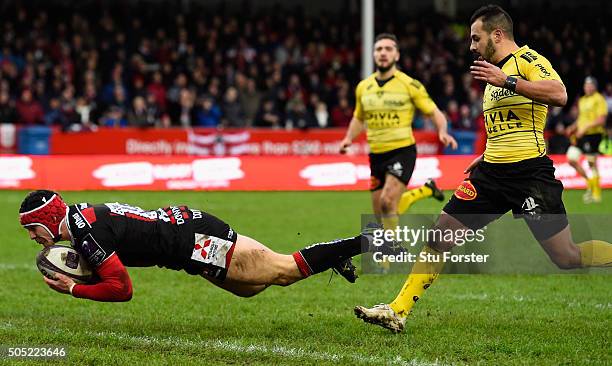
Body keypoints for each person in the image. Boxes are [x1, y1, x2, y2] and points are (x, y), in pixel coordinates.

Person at [354, 5, 612, 333]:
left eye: (476, 38)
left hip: (530, 176)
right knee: (440, 233)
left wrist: (508, 80)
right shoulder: (493, 75)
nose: (471, 46)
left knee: (566, 256)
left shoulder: (527, 61)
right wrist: (487, 154)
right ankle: (398, 310)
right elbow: (506, 126)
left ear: (497, 35)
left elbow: (558, 93)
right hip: (491, 175)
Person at [19, 190, 393, 302]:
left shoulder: (86, 233)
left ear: (47, 219)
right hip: (189, 233)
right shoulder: (84, 216)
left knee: (282, 272)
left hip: (194, 241)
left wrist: (73, 287)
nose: (33, 237)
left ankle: (364, 241)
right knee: (252, 289)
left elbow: (122, 288)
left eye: (32, 228)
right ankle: (335, 256)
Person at [339, 33, 458, 235]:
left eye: (388, 49)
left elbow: (433, 111)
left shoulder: (409, 85)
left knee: (387, 201)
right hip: (376, 155)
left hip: (402, 151)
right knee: (381, 214)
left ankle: (390, 253)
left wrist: (442, 130)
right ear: (373, 54)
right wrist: (348, 138)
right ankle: (425, 190)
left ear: (397, 55)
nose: (383, 53)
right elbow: (359, 118)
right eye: (379, 49)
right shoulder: (363, 87)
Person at [565, 77, 608, 203]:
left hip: (593, 135)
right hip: (581, 134)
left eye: (590, 85)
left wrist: (585, 128)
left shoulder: (599, 99)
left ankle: (596, 193)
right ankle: (589, 183)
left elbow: (601, 120)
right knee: (571, 158)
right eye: (586, 85)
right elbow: (581, 118)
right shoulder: (582, 100)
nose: (588, 87)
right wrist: (573, 127)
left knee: (591, 162)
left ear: (595, 87)